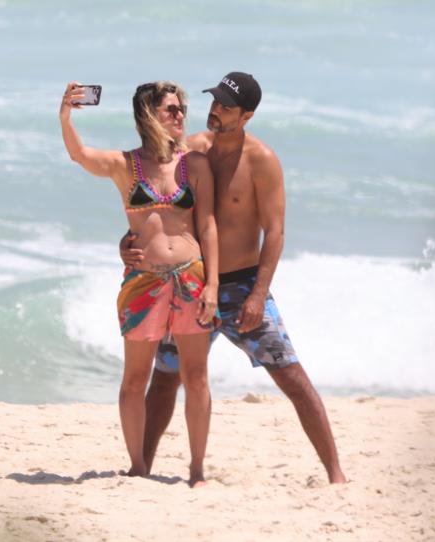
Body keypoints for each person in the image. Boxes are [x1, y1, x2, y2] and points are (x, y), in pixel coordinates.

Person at [121, 72, 347, 484]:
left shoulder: (261, 160)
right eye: (215, 100)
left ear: (247, 115)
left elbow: (275, 233)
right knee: (166, 379)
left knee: (292, 375)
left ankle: (336, 474)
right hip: (191, 284)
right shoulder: (191, 151)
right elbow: (155, 203)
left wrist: (258, 294)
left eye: (226, 105)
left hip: (242, 284)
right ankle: (142, 472)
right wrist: (129, 242)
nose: (215, 109)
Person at [60, 80, 219, 487]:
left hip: (190, 278)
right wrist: (65, 115)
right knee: (134, 379)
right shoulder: (125, 165)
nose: (180, 114)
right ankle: (137, 466)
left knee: (196, 376)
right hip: (143, 284)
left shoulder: (194, 162)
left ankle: (197, 470)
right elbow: (79, 155)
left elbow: (207, 226)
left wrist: (213, 285)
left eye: (181, 108)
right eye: (171, 109)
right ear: (149, 114)